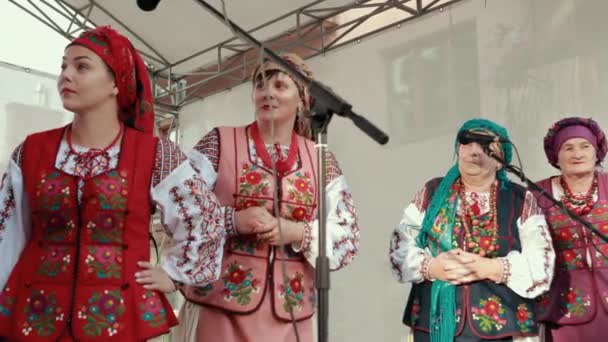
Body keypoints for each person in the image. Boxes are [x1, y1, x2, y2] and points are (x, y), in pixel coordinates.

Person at [0, 26, 229, 341]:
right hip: (35, 313)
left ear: (115, 82)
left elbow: (205, 218)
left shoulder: (154, 153)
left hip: (115, 316)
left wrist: (175, 274)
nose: (66, 75)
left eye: (81, 66)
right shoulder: (31, 151)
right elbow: (8, 235)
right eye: (63, 66)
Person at [174, 53, 360, 342]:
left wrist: (298, 232)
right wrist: (232, 220)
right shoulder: (220, 141)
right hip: (219, 308)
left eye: (279, 86)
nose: (268, 93)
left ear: (302, 100)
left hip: (290, 317)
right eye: (260, 85)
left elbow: (347, 236)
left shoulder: (320, 157)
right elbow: (179, 210)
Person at [389, 118, 555, 342]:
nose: (475, 151)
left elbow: (542, 261)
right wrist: (431, 267)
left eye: (486, 146)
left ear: (501, 161)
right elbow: (401, 243)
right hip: (433, 323)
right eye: (467, 144)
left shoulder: (519, 197)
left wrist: (493, 267)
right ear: (458, 151)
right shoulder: (432, 192)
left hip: (504, 327)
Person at [534, 117, 608, 342]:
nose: (577, 154)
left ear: (597, 152)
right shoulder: (538, 194)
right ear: (556, 156)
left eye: (585, 146)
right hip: (563, 310)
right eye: (568, 147)